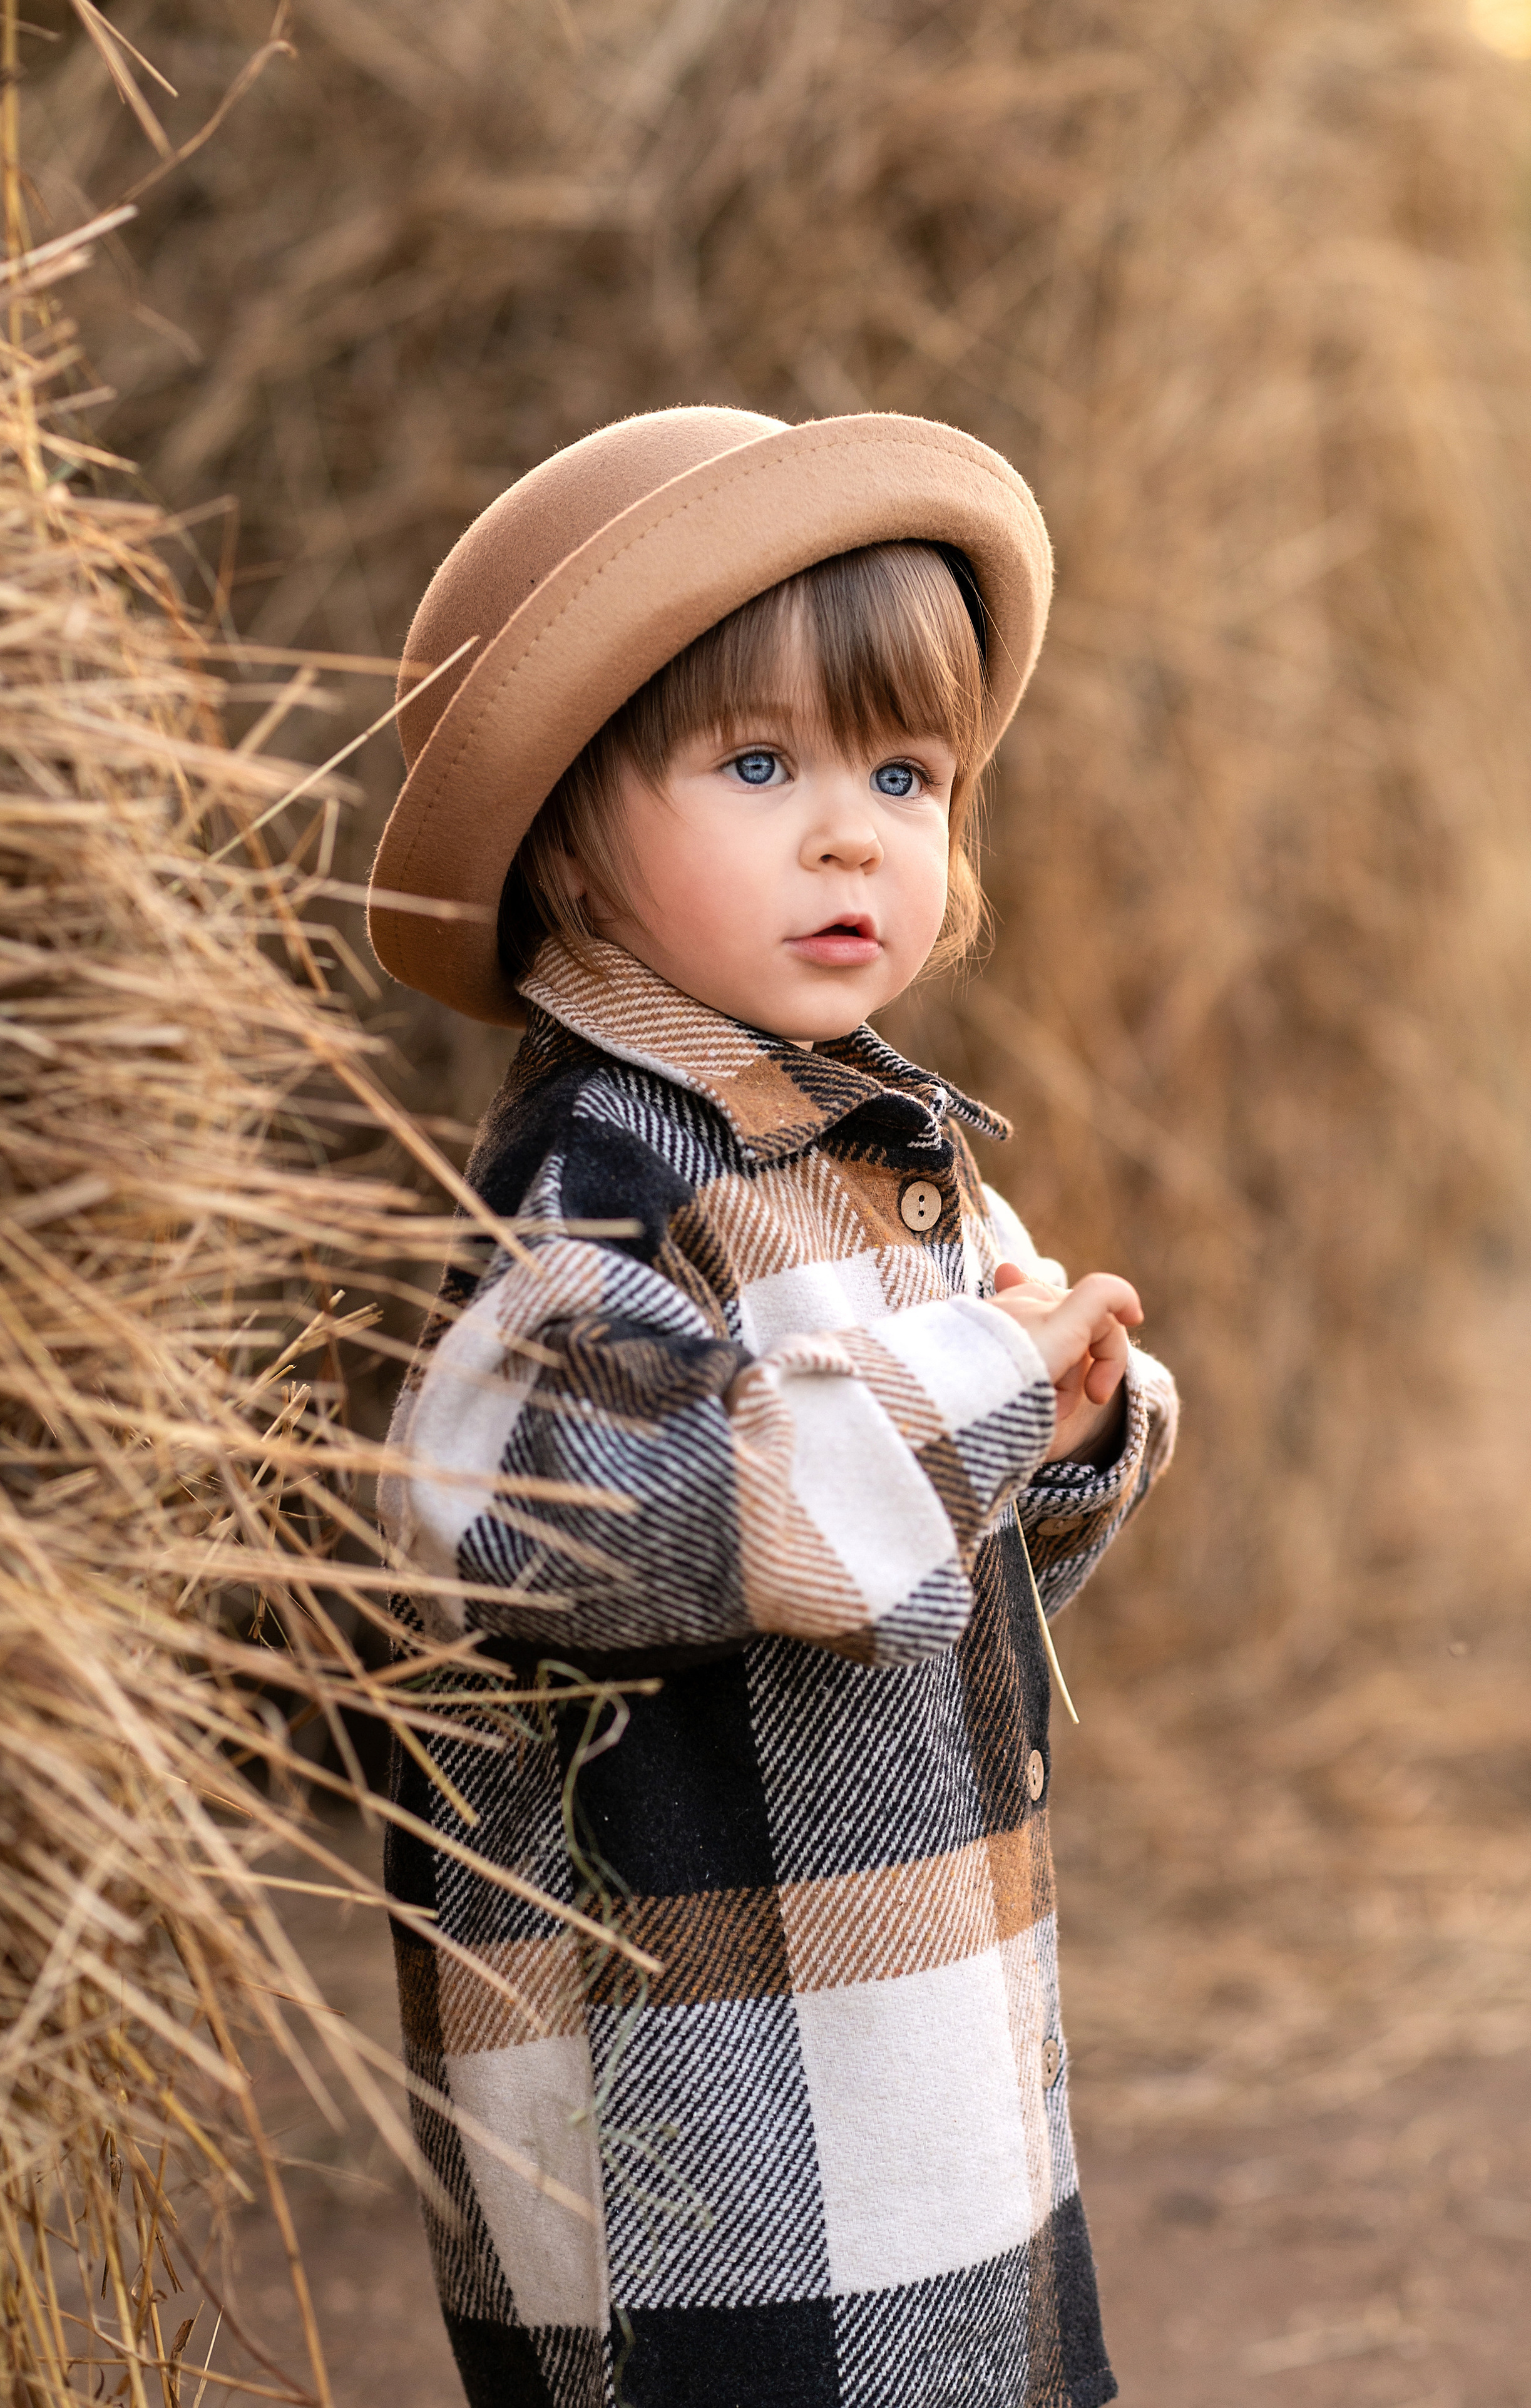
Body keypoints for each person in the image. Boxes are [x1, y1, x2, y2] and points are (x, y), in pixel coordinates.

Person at [367, 406, 1179, 2408]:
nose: (857, 834)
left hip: (929, 2062)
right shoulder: (589, 1177)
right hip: (703, 2151)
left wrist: (1066, 1436)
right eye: (761, 765)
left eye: (909, 775)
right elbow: (556, 1514)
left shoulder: (872, 1143)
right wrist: (981, 1379)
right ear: (568, 829)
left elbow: (928, 1558)